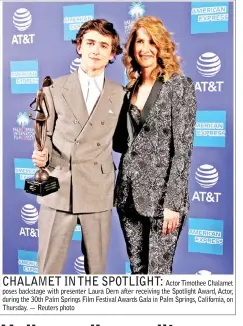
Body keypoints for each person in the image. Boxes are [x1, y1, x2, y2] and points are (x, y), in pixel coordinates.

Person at [32, 19, 125, 274]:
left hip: (98, 188)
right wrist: (40, 155)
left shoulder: (121, 94)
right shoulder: (54, 88)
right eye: (90, 43)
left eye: (104, 46)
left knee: (97, 272)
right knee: (47, 271)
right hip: (58, 186)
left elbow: (123, 141)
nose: (96, 50)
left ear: (112, 54)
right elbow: (43, 134)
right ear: (79, 47)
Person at [113, 16, 197, 274]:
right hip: (128, 196)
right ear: (132, 48)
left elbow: (182, 150)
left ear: (162, 46)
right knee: (138, 271)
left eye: (152, 41)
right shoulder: (129, 89)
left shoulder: (178, 86)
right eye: (139, 41)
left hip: (162, 200)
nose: (145, 48)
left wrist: (173, 204)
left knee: (158, 274)